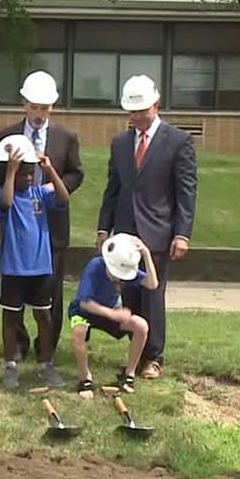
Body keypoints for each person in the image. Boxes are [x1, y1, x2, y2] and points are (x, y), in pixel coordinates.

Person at [96, 74, 198, 381]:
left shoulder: (179, 141)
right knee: (129, 294)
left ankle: (154, 357)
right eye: (133, 112)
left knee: (153, 294)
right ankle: (136, 355)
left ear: (157, 104)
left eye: (143, 111)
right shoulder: (120, 143)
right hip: (125, 232)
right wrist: (104, 228)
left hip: (158, 233)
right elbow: (112, 188)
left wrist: (182, 233)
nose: (138, 117)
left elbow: (186, 191)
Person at [0, 71, 84, 361]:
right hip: (16, 223)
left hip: (51, 227)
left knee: (49, 293)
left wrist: (54, 186)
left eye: (46, 108)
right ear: (24, 104)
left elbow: (76, 174)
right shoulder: (6, 136)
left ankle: (47, 352)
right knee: (14, 290)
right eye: (35, 107)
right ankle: (16, 347)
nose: (40, 114)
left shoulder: (66, 138)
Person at [0, 135, 70, 389]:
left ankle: (46, 364)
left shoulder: (39, 193)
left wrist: (49, 170)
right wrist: (11, 173)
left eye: (30, 173)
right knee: (12, 318)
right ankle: (10, 365)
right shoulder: (3, 194)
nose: (28, 177)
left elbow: (63, 198)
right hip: (14, 268)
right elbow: (4, 203)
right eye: (23, 173)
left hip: (40, 267)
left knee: (43, 316)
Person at [67, 233, 159, 399]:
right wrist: (113, 314)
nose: (120, 278)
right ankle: (85, 378)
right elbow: (84, 303)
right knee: (78, 332)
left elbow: (153, 284)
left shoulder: (127, 270)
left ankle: (129, 375)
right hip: (84, 313)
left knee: (141, 326)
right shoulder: (95, 266)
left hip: (111, 312)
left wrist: (146, 254)